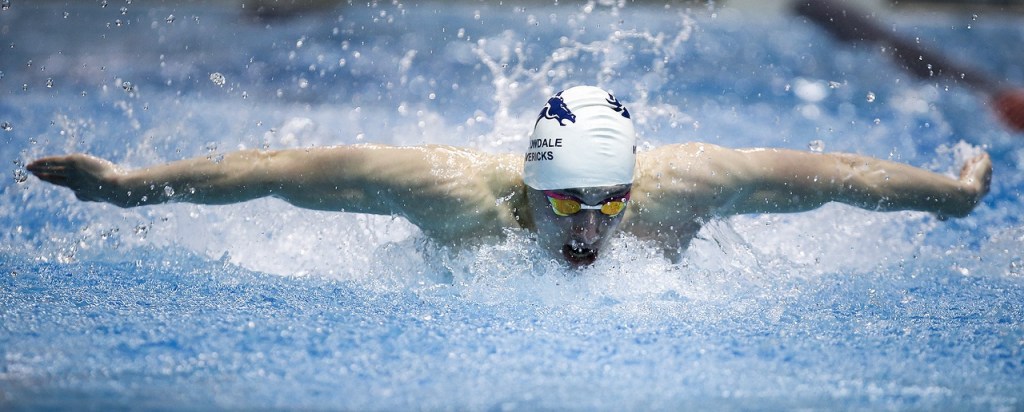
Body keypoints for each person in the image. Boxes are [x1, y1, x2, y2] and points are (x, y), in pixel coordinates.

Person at [27, 86, 992, 267]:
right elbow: (274, 170)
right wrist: (126, 187)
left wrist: (953, 199)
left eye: (606, 204)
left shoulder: (687, 183)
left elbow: (841, 175)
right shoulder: (451, 192)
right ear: (526, 184)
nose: (587, 231)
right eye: (564, 201)